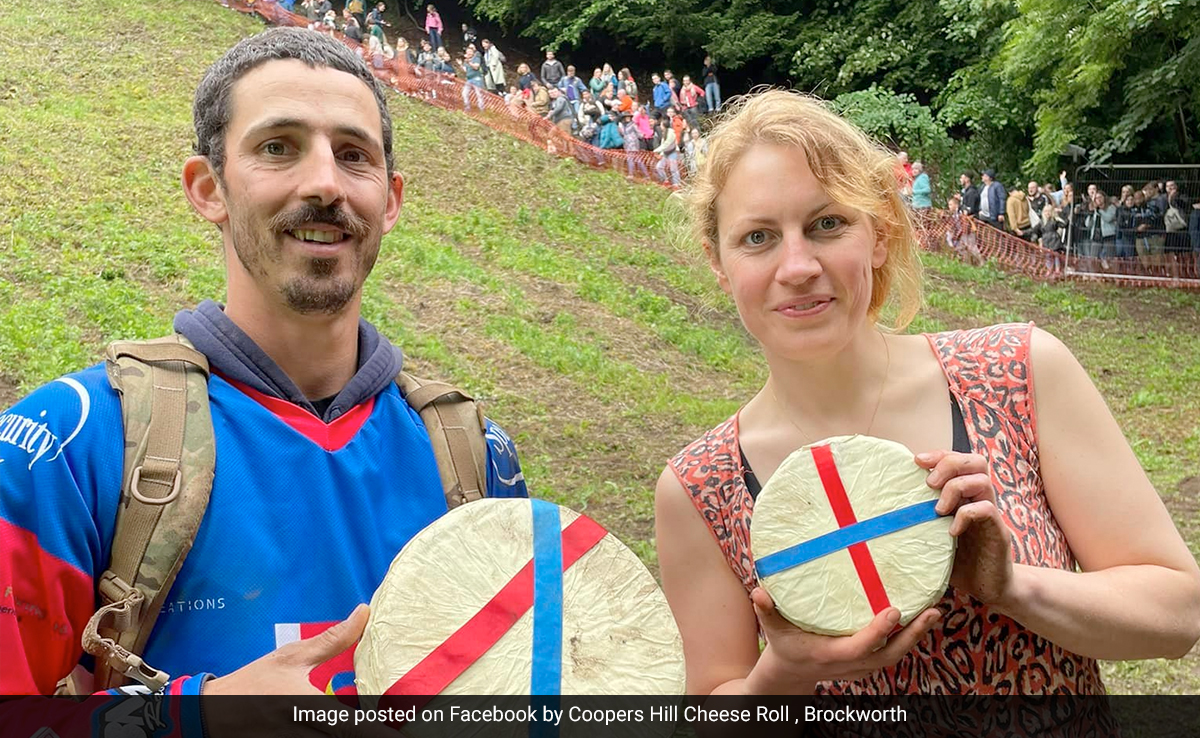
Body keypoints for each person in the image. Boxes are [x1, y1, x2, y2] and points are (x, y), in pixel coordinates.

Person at [0, 26, 528, 699]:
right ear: (207, 188)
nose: (324, 182)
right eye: (278, 148)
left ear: (391, 199)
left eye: (353, 155)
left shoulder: (478, 461)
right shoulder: (67, 448)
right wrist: (198, 716)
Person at [655, 90, 1200, 720]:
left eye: (827, 224)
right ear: (719, 264)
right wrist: (782, 676)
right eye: (757, 237)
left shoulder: (1016, 374)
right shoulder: (699, 488)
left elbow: (1178, 612)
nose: (798, 265)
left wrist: (1015, 589)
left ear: (880, 236)